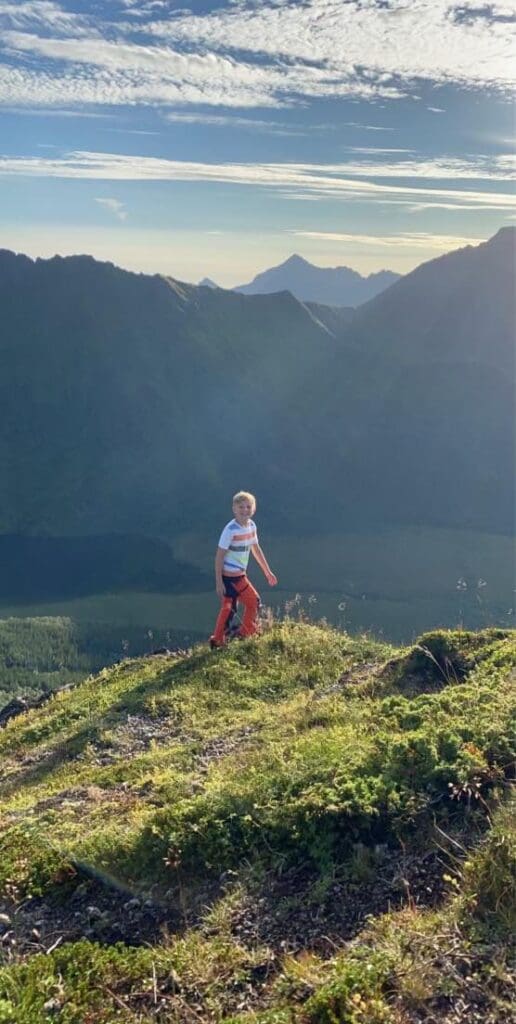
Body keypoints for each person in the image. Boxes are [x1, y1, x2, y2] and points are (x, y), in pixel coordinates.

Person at [209, 491, 277, 649]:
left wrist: (267, 572)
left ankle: (247, 632)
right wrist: (219, 582)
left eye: (248, 507)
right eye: (241, 507)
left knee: (254, 602)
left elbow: (256, 549)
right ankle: (217, 640)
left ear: (254, 509)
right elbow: (219, 556)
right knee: (229, 608)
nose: (245, 510)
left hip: (240, 576)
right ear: (234, 508)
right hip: (228, 577)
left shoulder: (251, 526)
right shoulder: (230, 530)